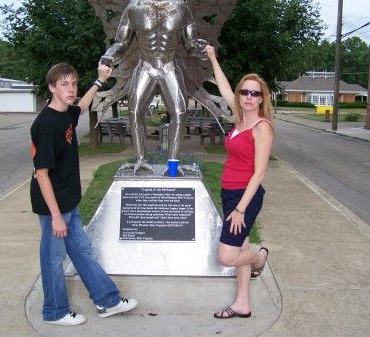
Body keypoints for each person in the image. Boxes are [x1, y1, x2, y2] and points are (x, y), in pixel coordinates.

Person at [30, 63, 138, 326]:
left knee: (82, 253)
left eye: (74, 84)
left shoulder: (66, 113)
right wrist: (55, 216)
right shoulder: (46, 124)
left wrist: (99, 81)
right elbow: (41, 174)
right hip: (53, 207)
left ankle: (107, 300)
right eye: (64, 84)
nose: (71, 89)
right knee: (53, 261)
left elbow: (84, 105)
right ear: (51, 87)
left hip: (69, 203)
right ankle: (55, 311)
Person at [205, 45, 275, 319]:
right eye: (244, 91)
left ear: (261, 99)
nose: (248, 96)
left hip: (244, 198)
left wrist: (241, 209)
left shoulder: (262, 128)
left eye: (254, 93)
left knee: (228, 256)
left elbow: (259, 174)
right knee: (240, 247)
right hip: (230, 193)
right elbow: (224, 87)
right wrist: (213, 58)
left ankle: (260, 258)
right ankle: (242, 303)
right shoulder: (240, 121)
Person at [100, 0, 208, 173]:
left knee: (180, 113)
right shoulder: (134, 7)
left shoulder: (182, 7)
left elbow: (190, 44)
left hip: (169, 66)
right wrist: (107, 57)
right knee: (134, 112)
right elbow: (121, 44)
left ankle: (172, 164)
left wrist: (203, 50)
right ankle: (141, 160)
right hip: (146, 67)